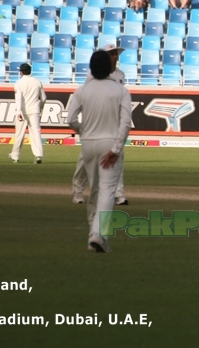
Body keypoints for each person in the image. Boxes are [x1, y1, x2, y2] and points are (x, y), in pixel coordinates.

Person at [67, 51, 132, 253]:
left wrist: (83, 130)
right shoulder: (120, 91)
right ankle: (98, 235)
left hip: (88, 144)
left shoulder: (82, 90)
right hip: (109, 143)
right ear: (110, 66)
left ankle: (93, 234)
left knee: (94, 189)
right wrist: (116, 148)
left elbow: (70, 120)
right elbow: (125, 123)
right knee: (106, 191)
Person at [72, 44, 129, 206]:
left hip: (113, 121)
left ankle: (118, 194)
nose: (115, 57)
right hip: (94, 121)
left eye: (116, 54)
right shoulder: (93, 75)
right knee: (85, 160)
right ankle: (78, 190)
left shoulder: (120, 75)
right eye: (111, 54)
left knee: (117, 156)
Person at [9, 63, 46, 164]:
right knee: (36, 132)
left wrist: (19, 111)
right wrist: (40, 107)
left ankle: (15, 156)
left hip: (23, 111)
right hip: (35, 110)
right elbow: (44, 98)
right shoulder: (37, 82)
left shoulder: (19, 83)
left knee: (19, 134)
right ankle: (38, 155)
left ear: (21, 72)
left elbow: (19, 98)